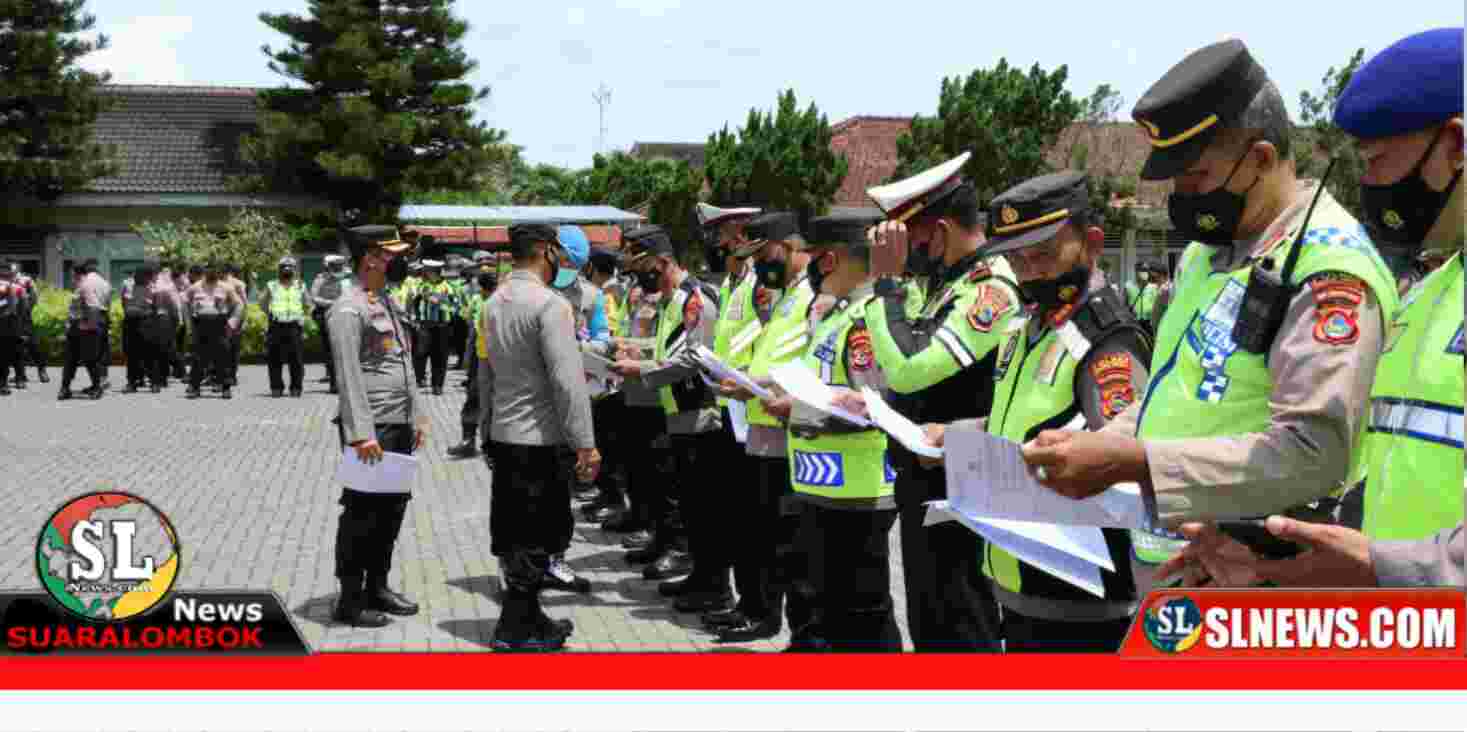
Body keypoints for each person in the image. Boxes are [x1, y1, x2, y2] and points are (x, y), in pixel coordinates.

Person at [1018, 38, 1399, 594]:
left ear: (1261, 159)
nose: (1181, 195)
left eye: (1195, 176)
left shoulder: (1327, 268)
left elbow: (1314, 453)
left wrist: (1133, 461)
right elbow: (1179, 396)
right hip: (1178, 564)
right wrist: (1098, 444)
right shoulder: (1210, 252)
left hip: (1257, 581)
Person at [1155, 27, 1464, 589]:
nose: (1367, 184)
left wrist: (1376, 564)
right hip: (1402, 632)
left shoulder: (1337, 267)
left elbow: (1314, 452)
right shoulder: (1435, 293)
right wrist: (1286, 562)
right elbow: (1379, 473)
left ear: (1456, 147)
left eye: (1378, 161)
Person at [929, 171, 1153, 652]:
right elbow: (1018, 422)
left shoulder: (1107, 339)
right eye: (1015, 258)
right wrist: (955, 435)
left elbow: (1125, 467)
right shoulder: (1027, 325)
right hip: (1019, 581)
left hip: (1078, 599)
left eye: (1043, 255)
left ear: (1091, 243)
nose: (1028, 272)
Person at [860, 152, 1020, 652]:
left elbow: (909, 370)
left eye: (915, 240)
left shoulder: (989, 290)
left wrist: (886, 284)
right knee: (929, 619)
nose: (908, 255)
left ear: (944, 230)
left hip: (962, 484)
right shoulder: (942, 286)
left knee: (961, 622)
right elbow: (900, 361)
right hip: (924, 475)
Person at [771, 212, 901, 652]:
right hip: (826, 485)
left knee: (864, 614)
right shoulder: (839, 314)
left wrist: (801, 408)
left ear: (830, 259)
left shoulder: (868, 318)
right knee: (836, 612)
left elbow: (874, 407)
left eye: (817, 257)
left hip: (859, 490)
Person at [481, 222, 600, 651]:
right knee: (537, 533)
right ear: (548, 251)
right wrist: (585, 442)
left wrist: (485, 430)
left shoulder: (494, 302)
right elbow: (567, 382)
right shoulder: (550, 306)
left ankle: (530, 618)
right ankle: (514, 630)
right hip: (539, 439)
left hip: (505, 435)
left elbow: (487, 374)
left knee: (514, 531)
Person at [709, 210, 815, 642]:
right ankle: (757, 608)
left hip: (788, 426)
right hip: (758, 420)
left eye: (763, 253)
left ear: (788, 248)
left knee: (781, 537)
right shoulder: (787, 291)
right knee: (759, 530)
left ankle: (773, 618)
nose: (757, 264)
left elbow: (806, 367)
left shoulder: (811, 296)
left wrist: (757, 387)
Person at [610, 226, 726, 594]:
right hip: (673, 406)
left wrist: (641, 369)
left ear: (663, 261)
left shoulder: (695, 298)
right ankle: (682, 558)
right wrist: (636, 351)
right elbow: (669, 350)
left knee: (694, 499)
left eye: (643, 265)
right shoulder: (671, 299)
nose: (639, 274)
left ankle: (691, 562)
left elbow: (694, 357)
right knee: (672, 488)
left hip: (699, 409)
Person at [328, 225, 424, 628]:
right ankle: (350, 599)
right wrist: (361, 433)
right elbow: (348, 376)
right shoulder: (348, 308)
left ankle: (378, 586)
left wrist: (417, 414)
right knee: (362, 513)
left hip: (397, 423)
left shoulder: (384, 300)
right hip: (373, 429)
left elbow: (403, 363)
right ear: (370, 258)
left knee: (391, 510)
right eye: (391, 254)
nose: (398, 261)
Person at [448, 255, 498, 459]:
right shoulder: (477, 300)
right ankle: (468, 440)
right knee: (473, 398)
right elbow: (471, 326)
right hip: (480, 356)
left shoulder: (503, 302)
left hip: (501, 358)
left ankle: (493, 443)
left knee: (496, 401)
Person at [183, 262, 244, 400]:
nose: (212, 272)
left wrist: (232, 322)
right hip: (200, 324)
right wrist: (188, 324)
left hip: (219, 325)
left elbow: (239, 305)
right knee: (198, 358)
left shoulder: (226, 288)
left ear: (218, 272)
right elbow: (185, 303)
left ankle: (225, 387)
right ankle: (194, 387)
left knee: (222, 357)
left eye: (214, 270)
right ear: (205, 270)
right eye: (209, 269)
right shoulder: (195, 287)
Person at [58, 260, 110, 401]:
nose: (70, 276)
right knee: (70, 360)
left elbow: (93, 307)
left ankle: (96, 387)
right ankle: (65, 388)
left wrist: (89, 325)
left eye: (71, 273)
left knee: (90, 360)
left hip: (85, 329)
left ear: (76, 273)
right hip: (77, 327)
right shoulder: (81, 285)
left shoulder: (85, 286)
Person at [261, 256, 309, 398]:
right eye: (283, 267)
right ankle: (276, 387)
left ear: (294, 269)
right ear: (279, 269)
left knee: (296, 360)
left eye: (290, 267)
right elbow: (263, 303)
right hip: (276, 325)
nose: (286, 269)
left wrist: (302, 317)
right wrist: (271, 314)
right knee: (274, 359)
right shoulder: (272, 285)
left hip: (294, 325)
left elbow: (307, 302)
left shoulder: (300, 285)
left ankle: (296, 388)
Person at [409, 259, 458, 395]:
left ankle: (437, 385)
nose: (426, 273)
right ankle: (420, 378)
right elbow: (414, 303)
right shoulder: (422, 286)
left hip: (442, 326)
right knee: (421, 352)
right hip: (425, 325)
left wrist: (440, 303)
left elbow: (455, 306)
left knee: (440, 356)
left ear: (435, 272)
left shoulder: (448, 287)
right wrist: (415, 319)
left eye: (428, 271)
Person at [311, 254, 353, 393]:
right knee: (330, 349)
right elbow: (314, 297)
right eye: (334, 266)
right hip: (326, 315)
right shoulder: (321, 279)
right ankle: (334, 383)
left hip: (346, 314)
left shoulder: (348, 278)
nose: (337, 269)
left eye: (339, 266)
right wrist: (331, 303)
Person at [8, 262, 44, 387]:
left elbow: (35, 296)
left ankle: (42, 370)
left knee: (33, 344)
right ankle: (21, 375)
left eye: (12, 268)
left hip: (24, 315)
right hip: (11, 317)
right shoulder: (6, 280)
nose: (10, 271)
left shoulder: (26, 280)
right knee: (16, 345)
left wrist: (28, 308)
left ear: (18, 268)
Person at [120, 265, 155, 393]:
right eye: (139, 276)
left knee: (148, 353)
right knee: (131, 354)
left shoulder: (152, 287)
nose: (146, 280)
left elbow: (154, 306)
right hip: (130, 322)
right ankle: (131, 383)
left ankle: (154, 382)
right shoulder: (127, 284)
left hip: (145, 322)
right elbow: (123, 302)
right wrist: (130, 312)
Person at [222, 263, 248, 388]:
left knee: (233, 348)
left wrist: (243, 320)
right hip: (221, 318)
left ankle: (232, 375)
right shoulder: (217, 283)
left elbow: (244, 303)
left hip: (236, 319)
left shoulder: (238, 284)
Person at [0, 262, 23, 395]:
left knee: (7, 354)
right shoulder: (12, 287)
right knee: (7, 355)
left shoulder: (12, 287)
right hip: (8, 325)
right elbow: (15, 307)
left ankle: (4, 383)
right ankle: (4, 383)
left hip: (8, 326)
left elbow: (14, 306)